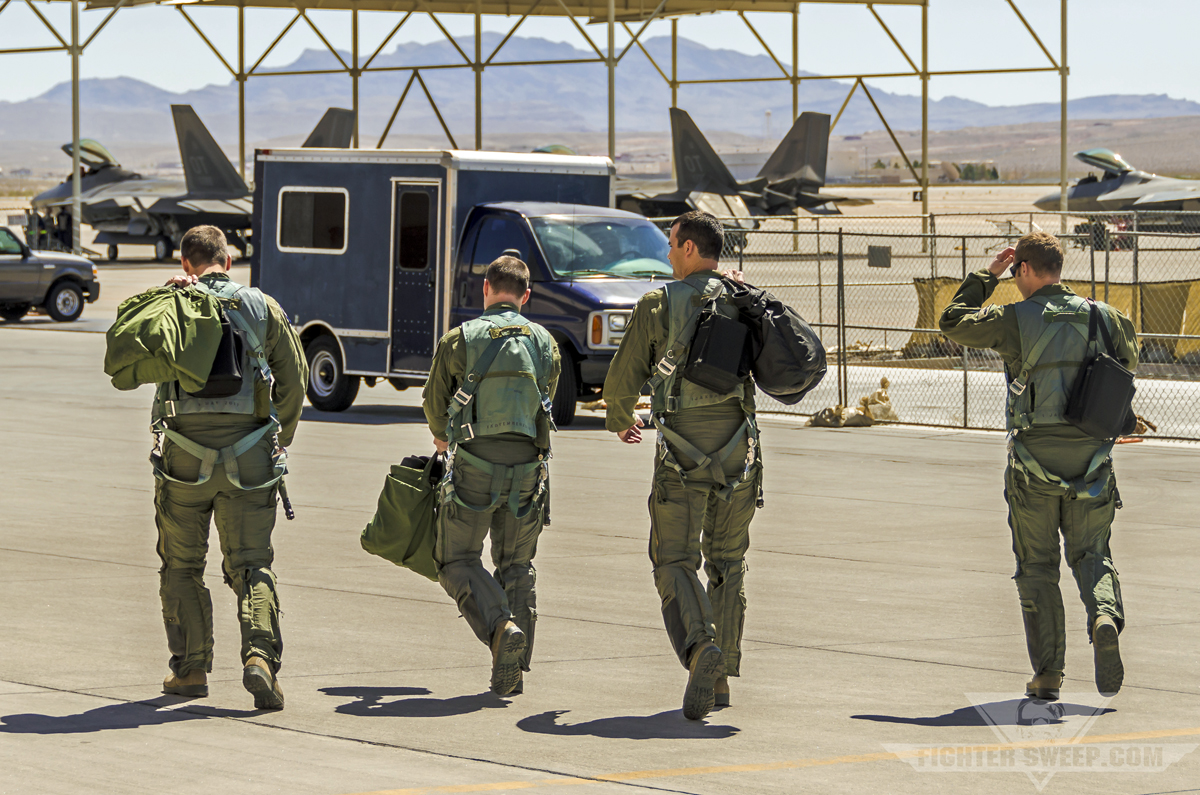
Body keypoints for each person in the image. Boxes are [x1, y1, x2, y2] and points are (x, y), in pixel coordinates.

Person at [939, 231, 1137, 700]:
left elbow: (953, 322)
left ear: (1024, 269)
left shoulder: (1013, 319)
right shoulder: (1106, 318)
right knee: (1093, 555)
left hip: (1032, 463)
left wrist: (984, 278)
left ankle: (1048, 674)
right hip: (1091, 460)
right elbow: (1126, 366)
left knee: (1038, 567)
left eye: (1013, 273)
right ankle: (1104, 616)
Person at [603, 210, 759, 721]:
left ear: (690, 249)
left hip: (682, 450)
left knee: (673, 558)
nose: (669, 253)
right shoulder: (744, 297)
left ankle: (698, 650)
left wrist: (620, 418)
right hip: (741, 451)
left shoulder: (658, 302)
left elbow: (622, 379)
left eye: (672, 244)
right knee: (728, 562)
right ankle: (721, 680)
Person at [153, 226, 307, 709]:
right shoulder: (262, 306)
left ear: (186, 264)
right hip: (250, 458)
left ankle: (191, 669)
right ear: (228, 260)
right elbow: (295, 382)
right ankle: (259, 658)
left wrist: (170, 297)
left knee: (181, 566)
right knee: (251, 564)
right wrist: (275, 441)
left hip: (182, 458)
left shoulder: (175, 302)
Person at [423, 256, 560, 697]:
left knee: (456, 559)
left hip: (474, 468)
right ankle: (514, 670)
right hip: (528, 471)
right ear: (526, 295)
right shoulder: (545, 342)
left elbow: (434, 401)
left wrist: (444, 440)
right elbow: (547, 398)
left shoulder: (460, 338)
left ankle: (501, 628)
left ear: (486, 290)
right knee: (517, 565)